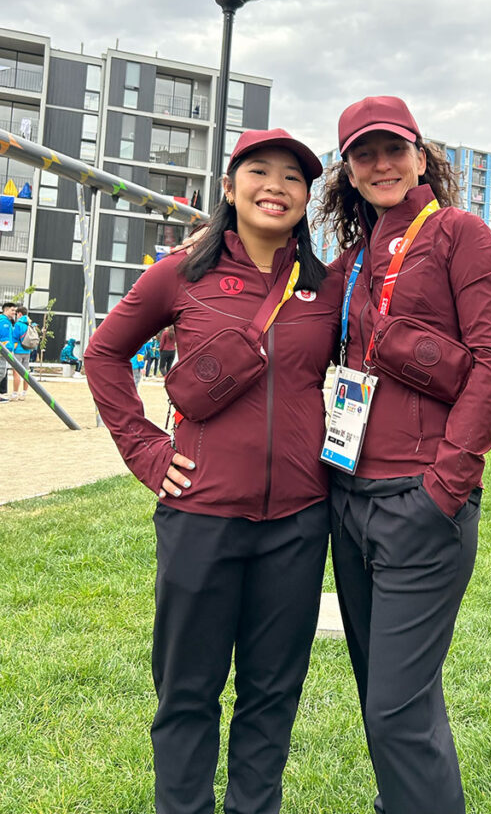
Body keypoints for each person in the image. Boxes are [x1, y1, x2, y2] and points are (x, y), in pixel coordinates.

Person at [84, 129, 343, 814]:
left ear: (306, 199)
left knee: (271, 694)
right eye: (259, 171)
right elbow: (103, 355)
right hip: (200, 515)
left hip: (297, 521)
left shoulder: (325, 288)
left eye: (294, 178)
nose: (277, 187)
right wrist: (145, 451)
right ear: (228, 188)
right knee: (188, 690)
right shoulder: (180, 273)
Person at [318, 95, 491, 814]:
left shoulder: (462, 235)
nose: (381, 164)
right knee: (386, 699)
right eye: (364, 154)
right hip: (348, 498)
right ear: (348, 171)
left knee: (396, 712)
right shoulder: (348, 263)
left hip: (419, 503)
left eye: (393, 148)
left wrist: (446, 487)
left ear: (421, 154)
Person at [10, 304, 32, 400]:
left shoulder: (18, 324)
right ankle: (24, 393)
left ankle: (15, 394)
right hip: (27, 350)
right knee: (26, 372)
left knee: (16, 373)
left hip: (18, 350)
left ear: (19, 314)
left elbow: (14, 337)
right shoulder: (29, 323)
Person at [0, 300, 16, 402]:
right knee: (1, 372)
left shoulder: (6, 321)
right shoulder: (4, 322)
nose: (14, 312)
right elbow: (4, 338)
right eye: (12, 310)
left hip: (4, 351)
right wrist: (8, 350)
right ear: (6, 310)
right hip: (3, 352)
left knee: (2, 373)